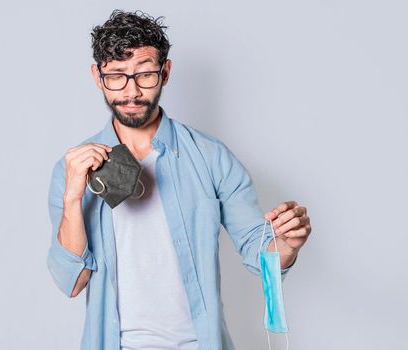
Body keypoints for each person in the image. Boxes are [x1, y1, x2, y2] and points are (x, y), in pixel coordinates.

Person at [46, 10, 312, 350]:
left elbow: (260, 254)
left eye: (145, 75)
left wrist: (285, 246)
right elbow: (72, 280)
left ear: (165, 72)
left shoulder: (212, 157)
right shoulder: (71, 169)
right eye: (117, 76)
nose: (131, 91)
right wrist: (72, 198)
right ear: (98, 76)